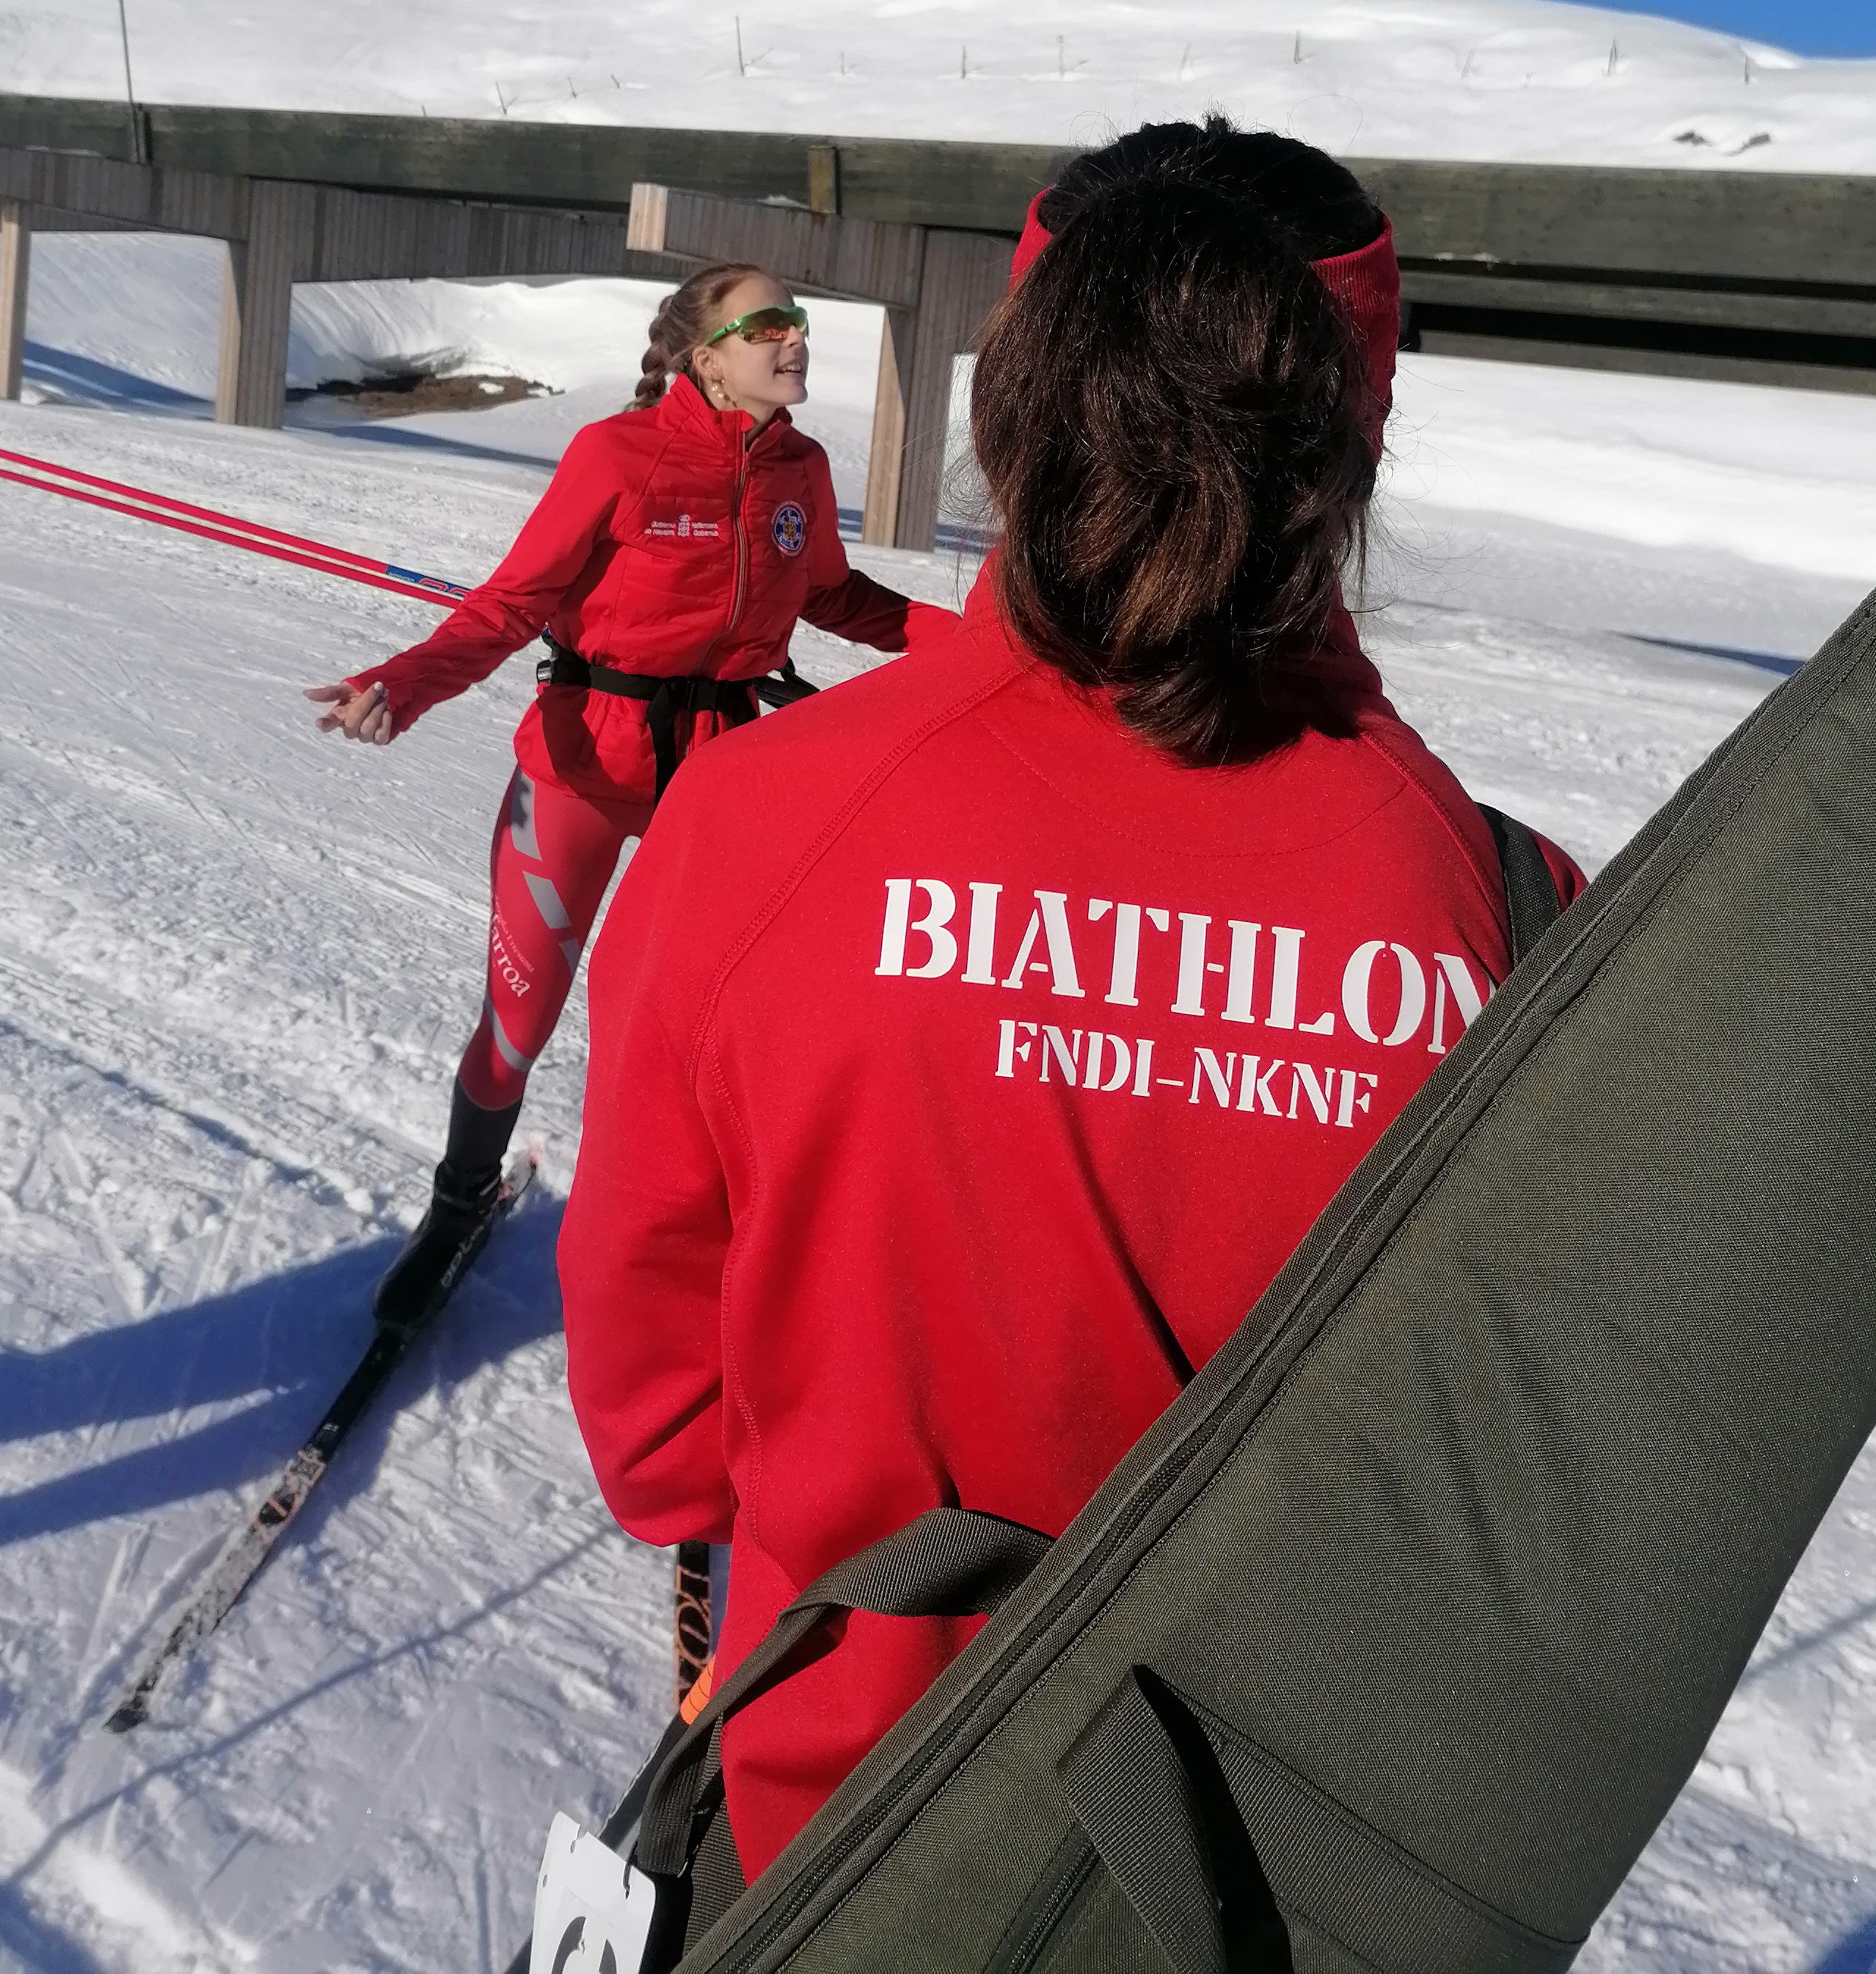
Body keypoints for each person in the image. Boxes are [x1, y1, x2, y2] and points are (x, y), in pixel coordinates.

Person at [558, 119, 1584, 1887]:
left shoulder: (762, 818)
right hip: (1279, 1879)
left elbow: (658, 1414)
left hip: (841, 1840)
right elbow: (1513, 1491)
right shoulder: (1515, 912)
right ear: (1359, 431)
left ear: (1015, 396)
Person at [309, 263, 959, 1326]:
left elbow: (834, 594)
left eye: (797, 321)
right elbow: (511, 604)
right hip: (581, 773)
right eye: (767, 325)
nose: (794, 339)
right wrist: (404, 684)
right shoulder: (617, 455)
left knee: (716, 1026)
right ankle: (456, 1208)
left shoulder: (799, 468)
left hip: (719, 781)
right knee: (519, 1022)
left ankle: (716, 1228)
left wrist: (973, 643)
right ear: (707, 358)